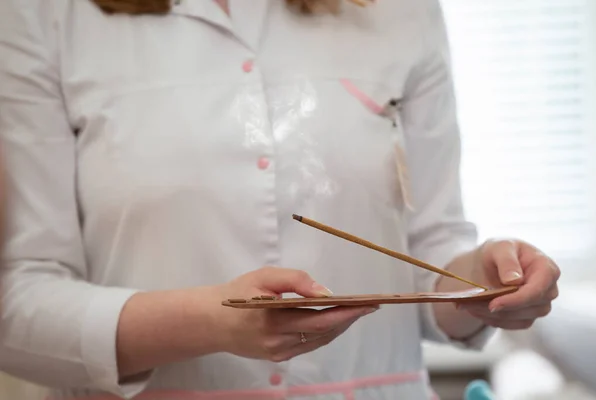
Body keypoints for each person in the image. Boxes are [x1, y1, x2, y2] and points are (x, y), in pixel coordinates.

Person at [0, 0, 560, 399]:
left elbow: (435, 258)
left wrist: (485, 284)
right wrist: (211, 322)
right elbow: (17, 303)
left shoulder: (400, 12)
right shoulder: (44, 15)